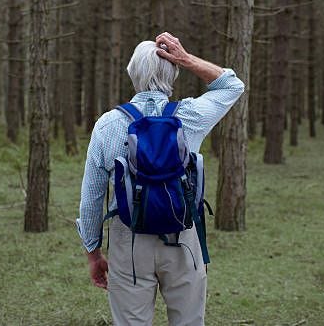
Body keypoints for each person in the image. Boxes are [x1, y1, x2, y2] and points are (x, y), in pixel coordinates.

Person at [76, 32, 244, 325]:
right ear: (174, 71)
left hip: (128, 238)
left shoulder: (107, 124)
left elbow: (91, 196)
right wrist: (186, 58)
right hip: (182, 235)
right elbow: (232, 84)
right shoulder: (190, 116)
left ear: (132, 73)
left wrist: (93, 254)